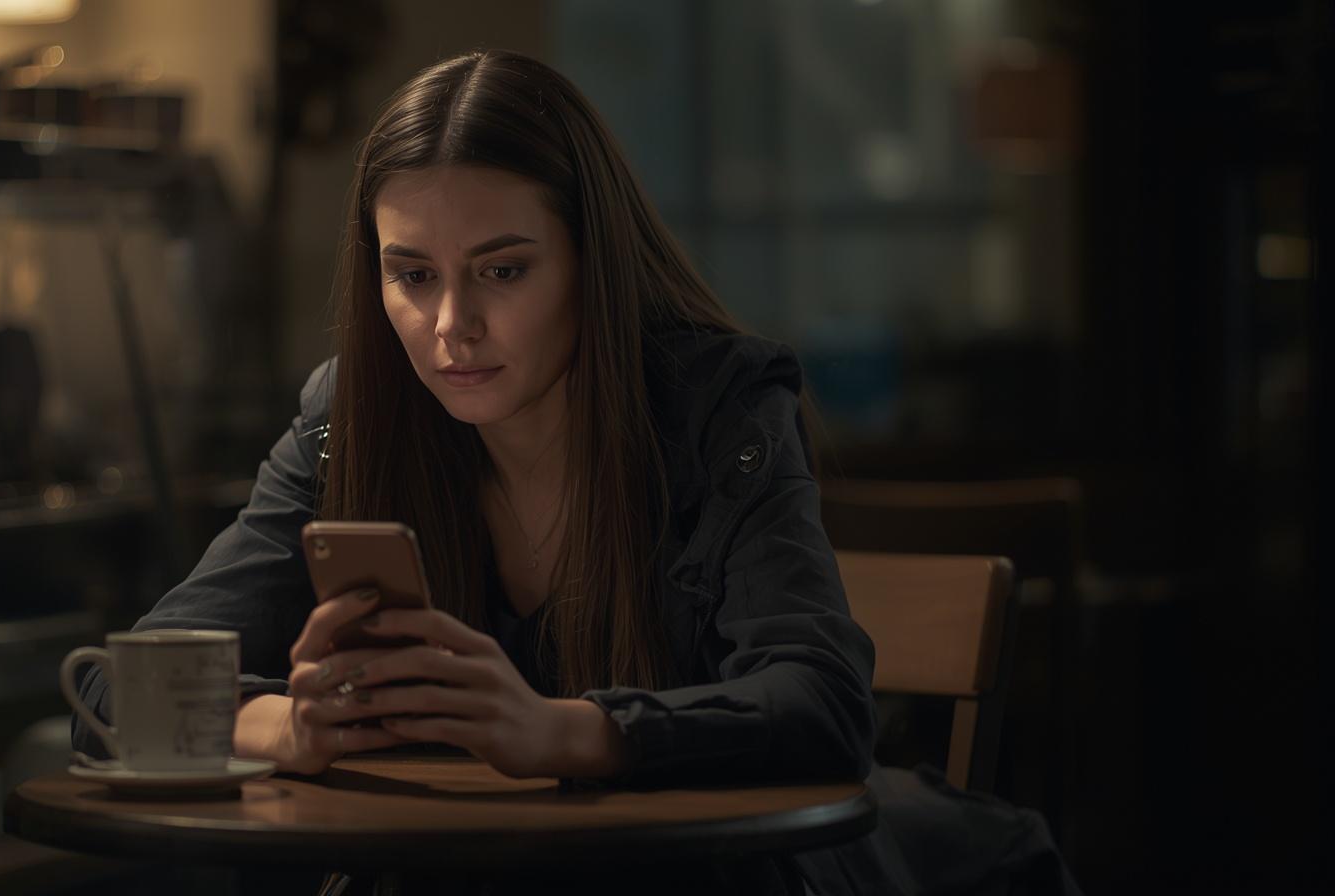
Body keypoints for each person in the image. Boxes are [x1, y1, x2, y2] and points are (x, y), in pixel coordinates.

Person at [74, 48, 1079, 896]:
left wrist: (559, 729)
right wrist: (294, 726)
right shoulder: (350, 415)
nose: (450, 327)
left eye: (503, 270)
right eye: (411, 273)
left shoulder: (714, 404)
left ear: (587, 262)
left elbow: (820, 703)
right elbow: (130, 678)